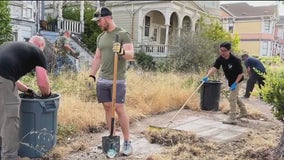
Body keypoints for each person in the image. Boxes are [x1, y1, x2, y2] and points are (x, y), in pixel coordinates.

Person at [88, 6, 134, 156]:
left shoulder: (122, 34)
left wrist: (121, 51)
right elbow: (97, 58)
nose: (98, 23)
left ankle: (127, 141)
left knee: (119, 109)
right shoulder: (101, 37)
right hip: (103, 80)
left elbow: (130, 55)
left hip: (117, 80)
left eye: (99, 20)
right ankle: (112, 138)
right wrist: (92, 75)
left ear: (107, 18)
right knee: (107, 108)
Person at [0, 36, 52, 160]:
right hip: (3, 80)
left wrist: (27, 90)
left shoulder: (11, 45)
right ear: (41, 46)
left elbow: (8, 75)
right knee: (10, 119)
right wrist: (47, 95)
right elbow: (43, 83)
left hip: (3, 79)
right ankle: (9, 157)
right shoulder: (37, 51)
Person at [202, 42, 248, 125]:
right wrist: (207, 76)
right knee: (234, 97)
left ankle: (232, 118)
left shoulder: (235, 60)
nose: (222, 52)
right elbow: (214, 68)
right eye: (221, 50)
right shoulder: (220, 58)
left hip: (238, 80)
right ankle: (244, 111)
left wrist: (235, 83)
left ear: (229, 50)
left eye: (224, 51)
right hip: (230, 81)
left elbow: (241, 74)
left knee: (232, 98)